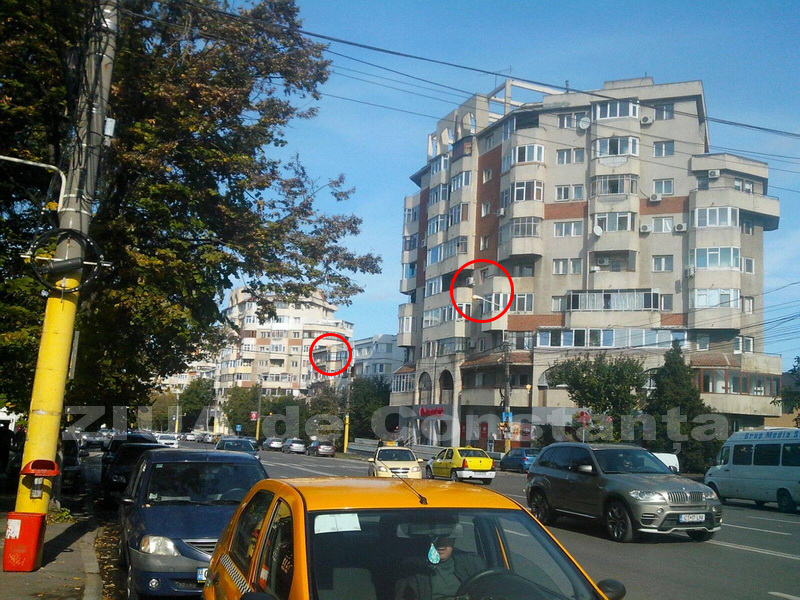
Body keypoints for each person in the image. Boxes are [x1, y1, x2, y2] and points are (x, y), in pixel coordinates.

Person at [395, 526, 484, 600]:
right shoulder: (413, 568)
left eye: (446, 536)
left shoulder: (472, 563)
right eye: (435, 537)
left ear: (454, 538)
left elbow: (487, 591)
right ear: (427, 539)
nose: (441, 543)